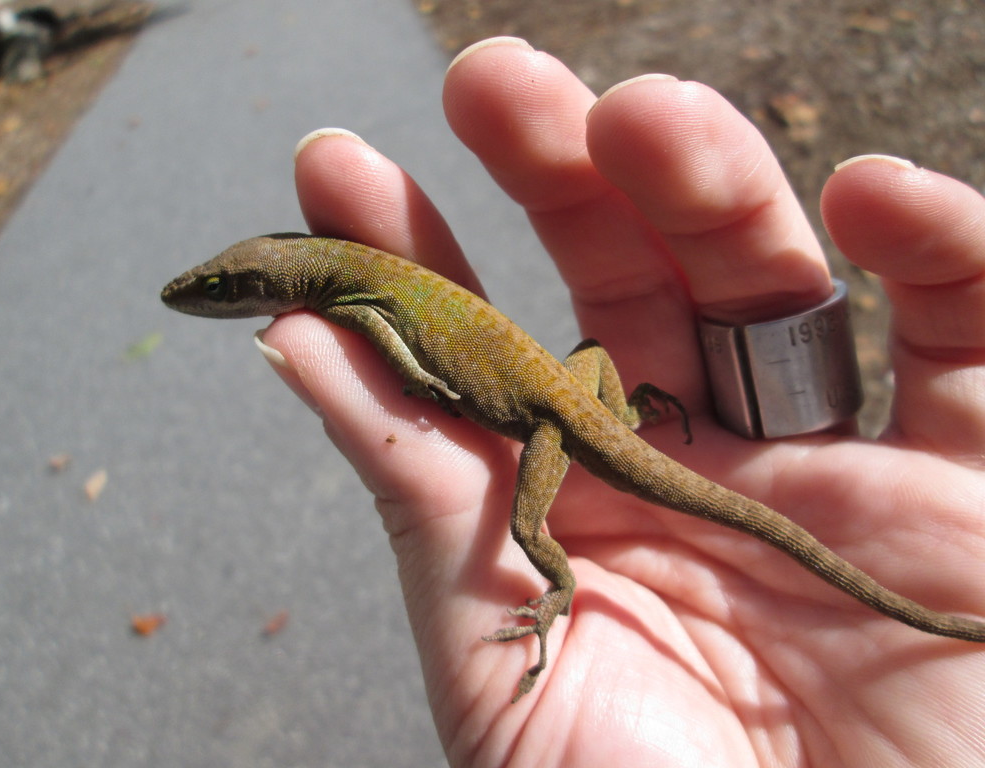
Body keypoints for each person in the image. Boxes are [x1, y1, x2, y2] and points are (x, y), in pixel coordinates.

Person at [257, 37, 985, 766]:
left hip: (553, 422)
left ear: (286, 279)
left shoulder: (348, 296)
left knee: (525, 527)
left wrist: (421, 378)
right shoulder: (354, 274)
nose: (210, 299)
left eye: (227, 290)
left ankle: (561, 589)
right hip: (576, 396)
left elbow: (379, 332)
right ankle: (629, 416)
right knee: (594, 358)